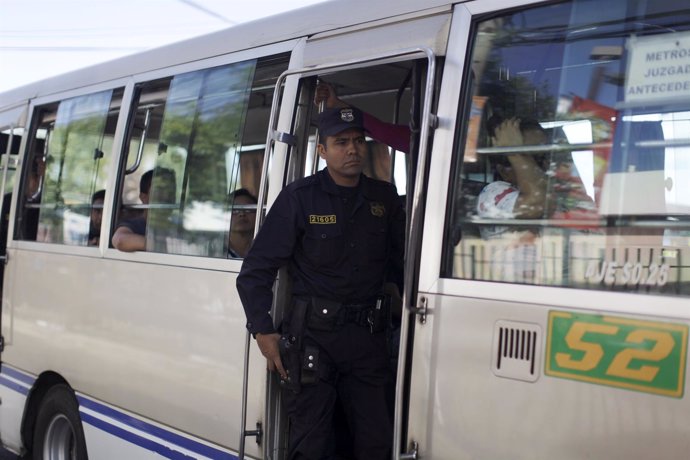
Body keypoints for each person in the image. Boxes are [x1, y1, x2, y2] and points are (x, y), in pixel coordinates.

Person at [237, 107, 405, 460]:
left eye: (358, 141)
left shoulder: (384, 198)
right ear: (322, 150)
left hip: (367, 341)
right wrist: (263, 332)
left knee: (377, 443)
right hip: (314, 340)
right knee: (312, 447)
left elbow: (399, 263)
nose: (352, 149)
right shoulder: (300, 198)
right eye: (341, 142)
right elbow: (255, 270)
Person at [111, 170, 152, 252]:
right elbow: (120, 240)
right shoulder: (134, 224)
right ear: (144, 197)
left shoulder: (175, 227)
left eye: (172, 192)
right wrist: (160, 245)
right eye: (161, 191)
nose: (169, 197)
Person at [226, 188, 256, 258]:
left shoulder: (267, 248)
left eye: (249, 209)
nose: (242, 214)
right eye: (235, 209)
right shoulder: (213, 251)